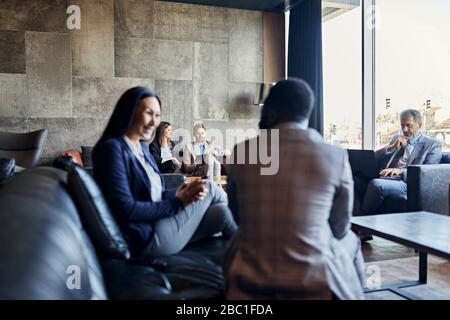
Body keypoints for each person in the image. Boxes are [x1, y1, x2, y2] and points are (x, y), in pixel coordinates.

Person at [225, 78, 365, 300]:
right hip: (311, 284)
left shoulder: (241, 151)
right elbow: (339, 227)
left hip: (249, 284)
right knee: (352, 240)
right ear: (306, 114)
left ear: (271, 111)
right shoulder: (335, 156)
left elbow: (237, 217)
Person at [92, 87, 237, 258]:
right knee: (210, 187)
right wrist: (179, 202)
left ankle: (253, 251)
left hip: (158, 222)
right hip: (146, 237)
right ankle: (256, 234)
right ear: (129, 111)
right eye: (148, 113)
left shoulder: (141, 148)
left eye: (157, 115)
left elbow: (153, 194)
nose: (154, 122)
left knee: (222, 213)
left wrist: (178, 192)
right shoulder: (112, 149)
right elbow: (127, 209)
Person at [359, 109, 442, 215]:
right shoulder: (397, 138)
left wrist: (401, 171)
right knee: (356, 180)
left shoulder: (432, 145)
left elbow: (430, 173)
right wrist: (392, 147)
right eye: (402, 125)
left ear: (419, 125)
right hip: (387, 176)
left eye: (409, 125)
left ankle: (360, 223)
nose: (404, 129)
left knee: (377, 185)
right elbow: (374, 157)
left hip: (407, 182)